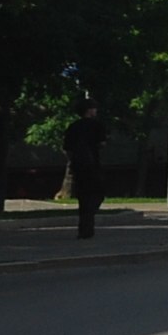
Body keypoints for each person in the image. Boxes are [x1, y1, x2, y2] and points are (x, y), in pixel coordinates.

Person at [62, 99, 106, 240]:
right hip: (93, 165)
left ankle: (84, 229)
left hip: (78, 166)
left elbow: (67, 148)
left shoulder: (73, 126)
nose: (96, 111)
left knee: (83, 197)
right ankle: (89, 220)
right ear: (89, 110)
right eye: (94, 108)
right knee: (98, 193)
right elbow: (102, 143)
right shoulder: (96, 125)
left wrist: (73, 161)